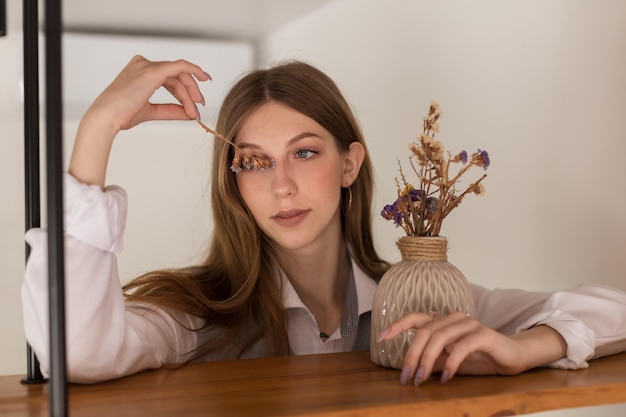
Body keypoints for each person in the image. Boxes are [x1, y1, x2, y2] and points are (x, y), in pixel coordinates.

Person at [22, 56, 626, 385]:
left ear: (349, 163)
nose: (280, 184)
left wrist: (527, 348)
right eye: (254, 163)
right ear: (233, 182)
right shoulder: (199, 316)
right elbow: (75, 355)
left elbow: (614, 310)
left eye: (304, 152)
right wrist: (98, 128)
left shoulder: (423, 302)